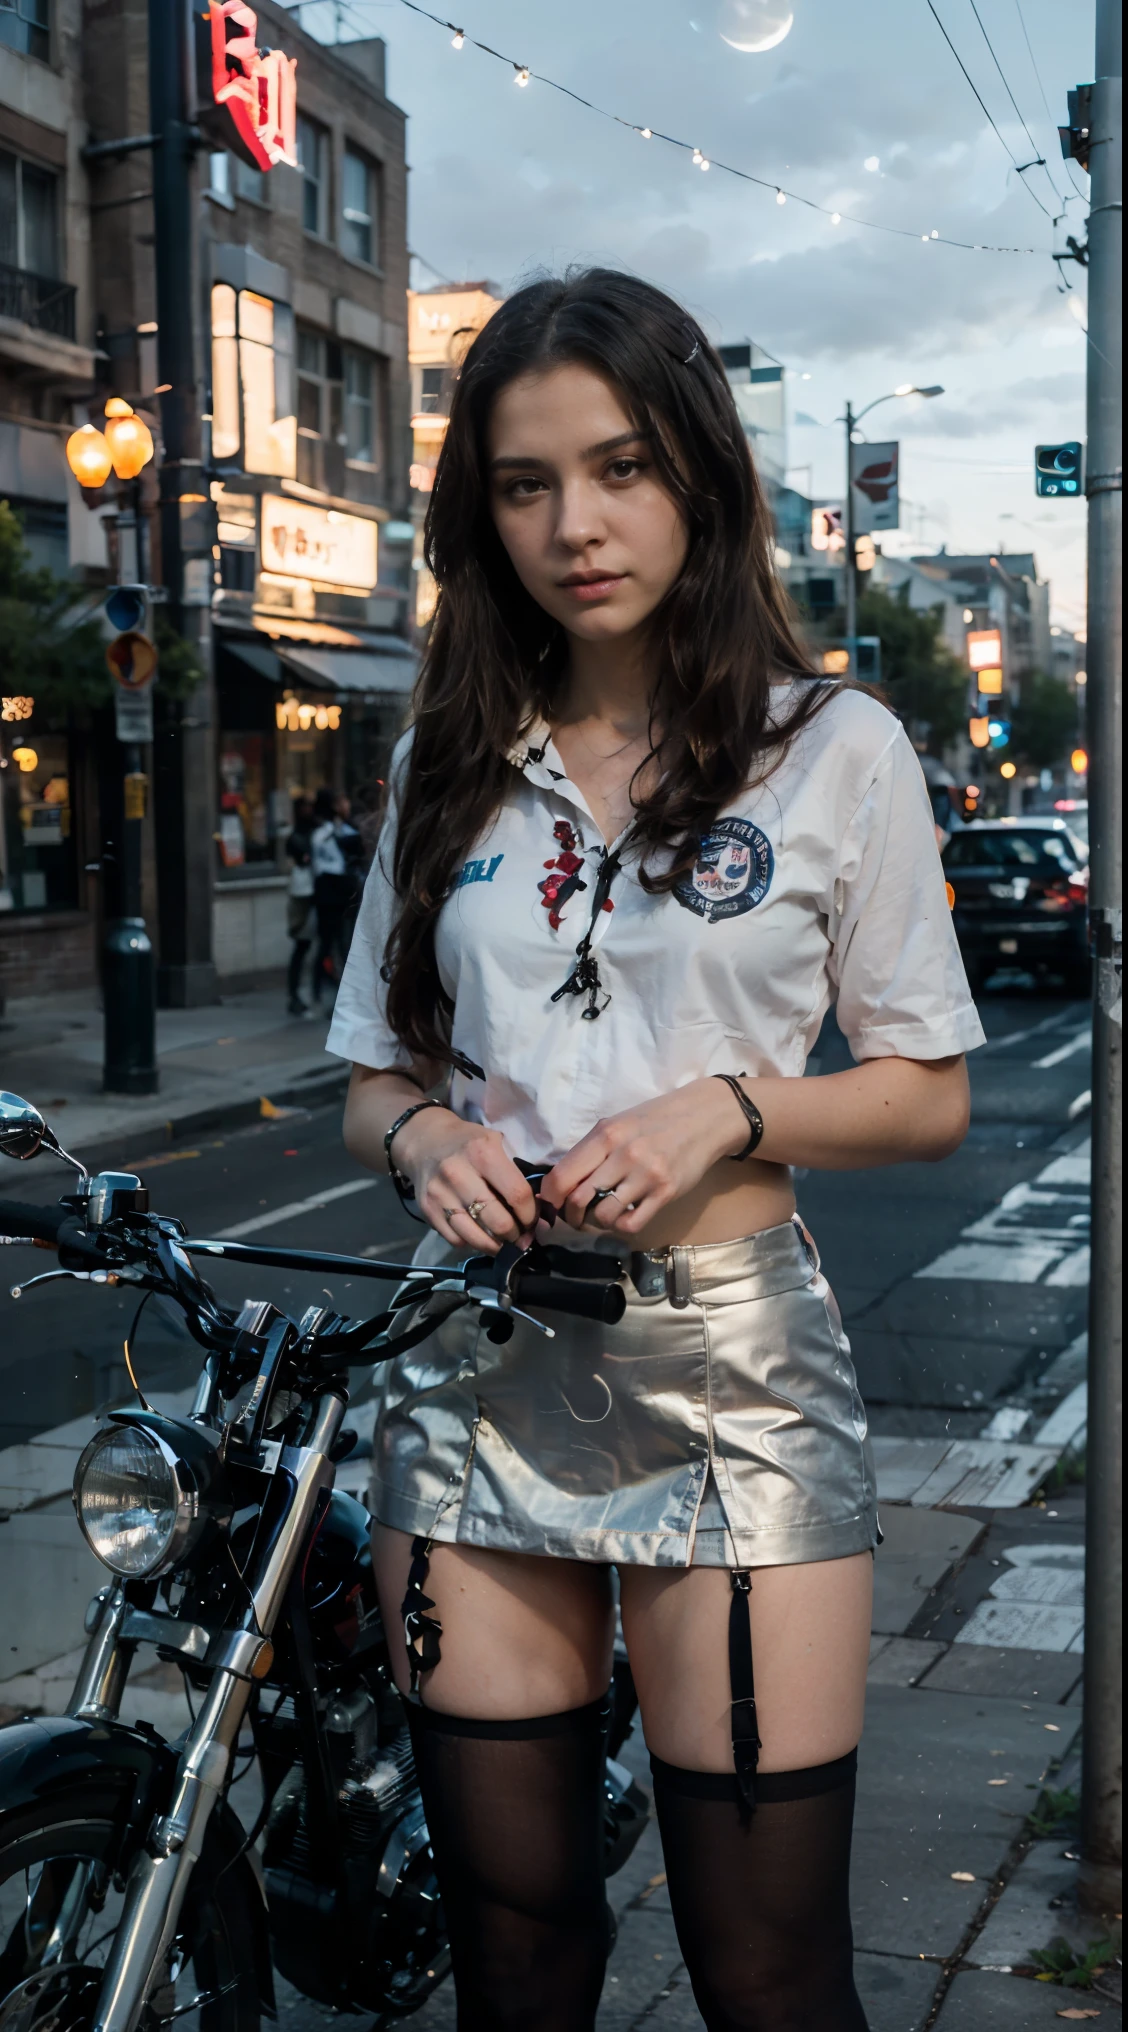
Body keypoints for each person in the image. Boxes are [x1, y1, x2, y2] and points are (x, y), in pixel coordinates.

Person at [327, 269, 984, 2032]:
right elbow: (371, 1081)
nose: (573, 524)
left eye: (614, 468)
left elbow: (925, 1089)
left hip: (731, 1371)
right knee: (514, 1944)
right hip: (473, 1363)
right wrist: (425, 1143)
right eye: (524, 485)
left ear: (694, 472)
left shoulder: (828, 747)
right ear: (484, 514)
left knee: (766, 1971)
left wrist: (732, 1104)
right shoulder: (446, 760)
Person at [310, 786, 360, 1003]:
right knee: (333, 942)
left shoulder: (341, 830)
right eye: (341, 801)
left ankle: (330, 988)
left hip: (337, 890)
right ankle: (324, 987)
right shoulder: (328, 832)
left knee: (338, 942)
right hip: (333, 891)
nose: (346, 805)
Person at [284, 794, 315, 1016]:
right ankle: (296, 995)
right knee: (302, 945)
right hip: (303, 892)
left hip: (312, 891)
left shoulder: (312, 832)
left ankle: (302, 994)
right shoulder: (297, 836)